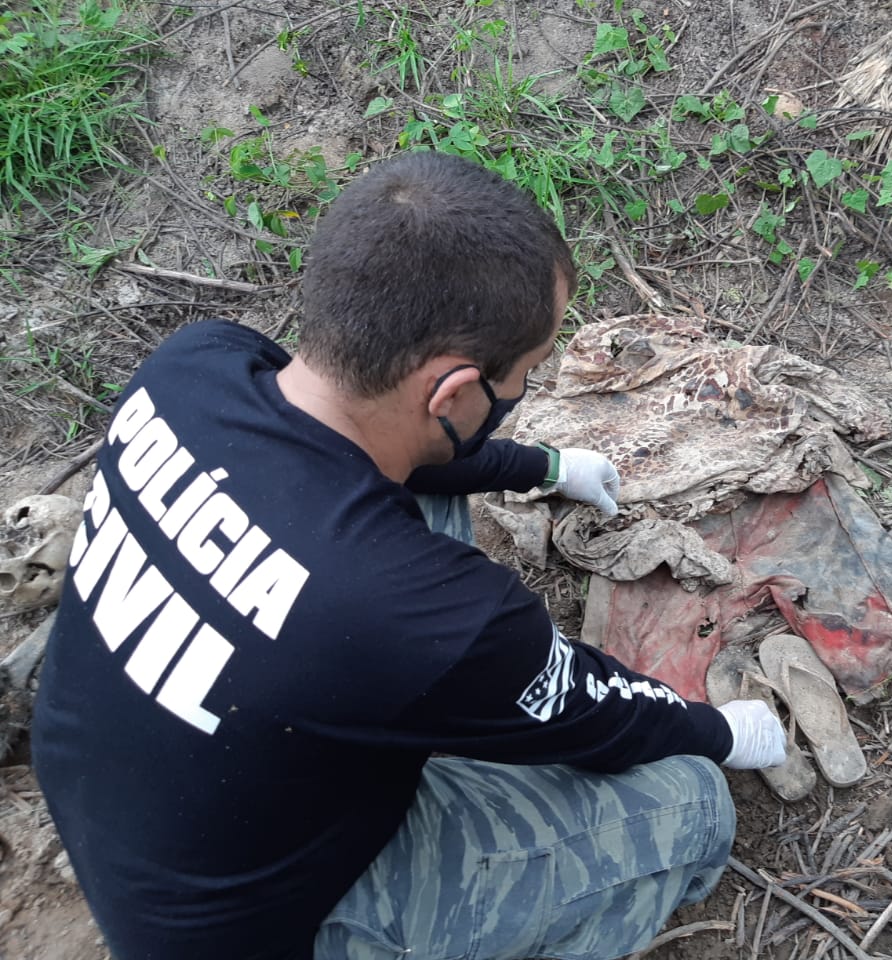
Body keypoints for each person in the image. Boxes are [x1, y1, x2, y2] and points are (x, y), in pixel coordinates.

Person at [32, 151, 786, 960]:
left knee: (420, 490)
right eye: (529, 372)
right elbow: (594, 716)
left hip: (132, 804)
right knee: (692, 801)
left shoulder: (194, 364)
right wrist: (716, 730)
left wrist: (545, 467)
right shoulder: (429, 616)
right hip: (255, 930)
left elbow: (392, 443)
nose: (531, 386)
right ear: (455, 392)